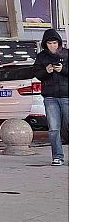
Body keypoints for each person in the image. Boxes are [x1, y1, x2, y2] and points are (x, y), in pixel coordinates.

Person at [33, 28, 69, 166]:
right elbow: (36, 73)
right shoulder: (41, 57)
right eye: (50, 43)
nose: (52, 46)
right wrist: (46, 71)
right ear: (45, 44)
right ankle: (57, 156)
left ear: (59, 43)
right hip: (50, 97)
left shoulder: (68, 54)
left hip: (67, 95)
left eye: (55, 43)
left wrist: (63, 70)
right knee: (54, 128)